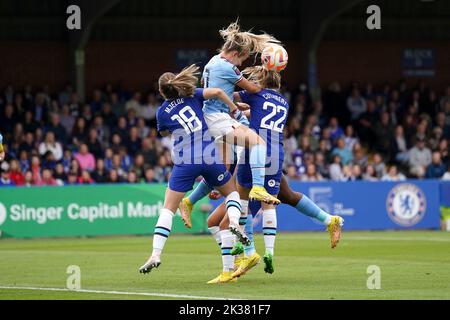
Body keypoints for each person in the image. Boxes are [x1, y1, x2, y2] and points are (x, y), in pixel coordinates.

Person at [139, 65, 250, 284]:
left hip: (185, 162)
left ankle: (155, 253)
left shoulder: (162, 111)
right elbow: (218, 92)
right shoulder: (194, 95)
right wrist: (234, 109)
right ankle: (236, 223)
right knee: (232, 194)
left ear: (162, 92)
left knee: (168, 209)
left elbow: (163, 131)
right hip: (209, 156)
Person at [201, 21, 281, 206]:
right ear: (235, 54)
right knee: (257, 142)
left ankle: (194, 198)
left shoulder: (213, 61)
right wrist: (268, 85)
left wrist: (238, 105)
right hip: (219, 119)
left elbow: (222, 90)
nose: (241, 63)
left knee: (225, 166)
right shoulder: (227, 67)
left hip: (212, 117)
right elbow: (252, 88)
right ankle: (259, 187)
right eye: (242, 60)